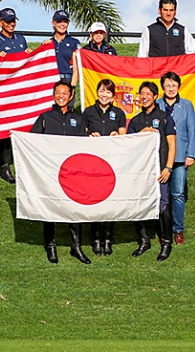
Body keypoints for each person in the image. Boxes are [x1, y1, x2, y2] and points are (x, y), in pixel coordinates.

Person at [30, 80, 90, 264]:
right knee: (50, 209)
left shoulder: (79, 119)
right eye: (58, 93)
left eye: (65, 93)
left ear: (71, 96)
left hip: (72, 172)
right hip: (50, 172)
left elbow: (84, 144)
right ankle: (51, 247)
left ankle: (76, 247)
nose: (61, 96)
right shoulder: (45, 118)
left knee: (75, 208)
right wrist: (17, 138)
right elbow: (32, 141)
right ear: (54, 95)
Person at [127, 81, 177, 262]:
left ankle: (166, 243)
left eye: (148, 93)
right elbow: (129, 145)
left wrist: (168, 167)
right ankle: (144, 241)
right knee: (139, 205)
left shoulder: (164, 117)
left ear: (155, 96)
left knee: (163, 205)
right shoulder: (135, 121)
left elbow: (172, 144)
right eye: (142, 94)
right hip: (142, 171)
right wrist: (142, 132)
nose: (144, 97)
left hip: (160, 169)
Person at [82, 79, 127, 256]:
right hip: (93, 163)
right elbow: (80, 133)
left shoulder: (118, 113)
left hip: (112, 163)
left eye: (108, 92)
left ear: (113, 96)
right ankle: (95, 239)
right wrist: (89, 134)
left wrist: (117, 136)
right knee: (95, 200)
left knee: (110, 201)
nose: (104, 95)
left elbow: (124, 136)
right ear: (97, 92)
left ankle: (108, 239)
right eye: (102, 91)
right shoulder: (88, 112)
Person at [0, 7, 31, 184]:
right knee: (6, 129)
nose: (12, 24)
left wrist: (30, 55)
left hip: (21, 90)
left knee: (22, 127)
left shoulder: (21, 39)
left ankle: (21, 164)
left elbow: (28, 63)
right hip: (5, 92)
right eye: (8, 21)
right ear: (1, 22)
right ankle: (5, 166)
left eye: (14, 21)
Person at [157, 72, 195, 245]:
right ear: (163, 87)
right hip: (161, 156)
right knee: (161, 195)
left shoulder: (187, 105)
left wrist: (191, 154)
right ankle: (162, 229)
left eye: (174, 85)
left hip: (180, 156)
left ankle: (178, 229)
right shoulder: (156, 104)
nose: (171, 89)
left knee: (178, 194)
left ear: (179, 87)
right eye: (168, 85)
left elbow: (192, 131)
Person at [43, 10, 80, 86]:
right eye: (59, 21)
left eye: (65, 22)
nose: (63, 24)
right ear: (53, 23)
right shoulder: (47, 43)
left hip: (67, 80)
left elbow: (76, 69)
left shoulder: (74, 43)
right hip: (50, 81)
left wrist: (72, 86)